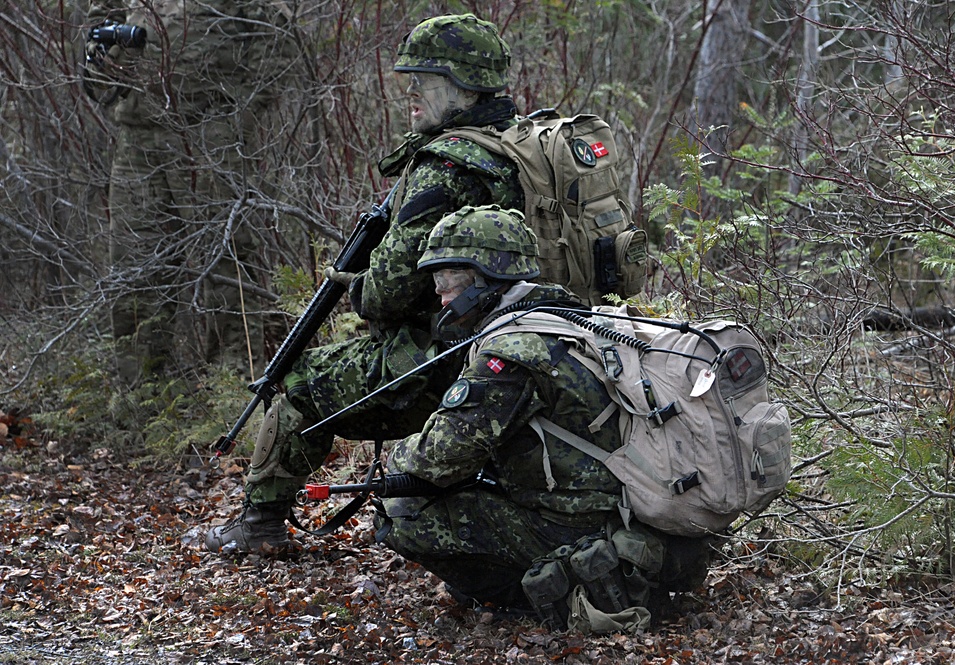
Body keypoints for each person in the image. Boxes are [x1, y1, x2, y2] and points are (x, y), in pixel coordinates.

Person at [204, 14, 525, 552]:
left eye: (425, 79)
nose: (411, 91)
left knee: (298, 382)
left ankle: (258, 526)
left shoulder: (444, 167)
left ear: (464, 85)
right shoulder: (526, 145)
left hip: (452, 355)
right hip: (544, 338)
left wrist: (355, 285)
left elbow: (388, 294)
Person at [376, 205, 712, 631]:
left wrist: (394, 461)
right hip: (636, 510)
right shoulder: (566, 315)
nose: (441, 296)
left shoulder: (511, 350)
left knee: (400, 511)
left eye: (449, 282)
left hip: (578, 523)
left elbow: (437, 458)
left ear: (485, 278)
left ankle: (552, 592)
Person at [82, 0, 295, 383]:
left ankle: (236, 388)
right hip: (138, 135)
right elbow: (99, 24)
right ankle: (141, 395)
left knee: (227, 259)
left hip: (210, 129)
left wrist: (242, 114)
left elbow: (274, 30)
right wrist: (107, 57)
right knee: (135, 266)